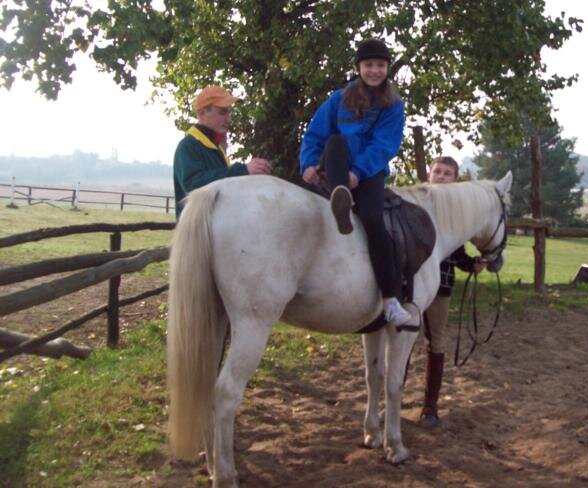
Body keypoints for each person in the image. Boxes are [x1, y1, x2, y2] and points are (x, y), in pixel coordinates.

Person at [299, 38, 411, 327]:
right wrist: (308, 164)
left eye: (380, 65)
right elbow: (315, 133)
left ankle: (390, 301)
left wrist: (357, 173)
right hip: (335, 168)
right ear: (359, 67)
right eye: (369, 64)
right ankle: (341, 199)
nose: (374, 70)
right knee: (335, 141)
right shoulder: (339, 98)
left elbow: (384, 145)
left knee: (373, 220)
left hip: (369, 172)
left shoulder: (393, 106)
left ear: (387, 69)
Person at [419, 155, 487, 428]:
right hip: (410, 284)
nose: (442, 176)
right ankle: (393, 399)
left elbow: (457, 252)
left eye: (448, 173)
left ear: (455, 179)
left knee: (436, 343)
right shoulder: (416, 204)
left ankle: (430, 406)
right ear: (429, 174)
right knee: (399, 343)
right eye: (438, 171)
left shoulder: (455, 214)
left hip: (440, 285)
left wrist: (472, 265)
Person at [173, 85, 272, 219]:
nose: (228, 119)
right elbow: (193, 185)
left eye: (229, 113)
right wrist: (243, 170)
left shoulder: (214, 146)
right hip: (196, 228)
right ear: (201, 113)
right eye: (222, 112)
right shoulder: (188, 146)